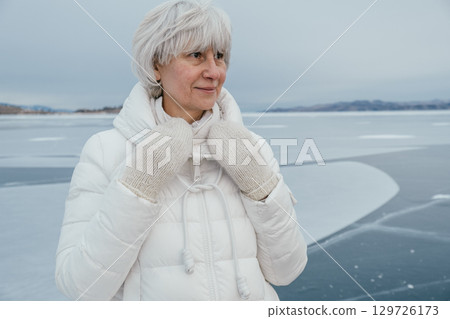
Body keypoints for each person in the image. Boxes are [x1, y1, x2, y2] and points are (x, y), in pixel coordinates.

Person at [55, 0, 307, 301]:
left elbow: (287, 271)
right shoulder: (106, 151)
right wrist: (139, 182)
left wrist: (260, 187)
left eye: (220, 56)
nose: (214, 71)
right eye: (196, 55)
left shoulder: (251, 148)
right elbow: (80, 288)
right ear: (155, 65)